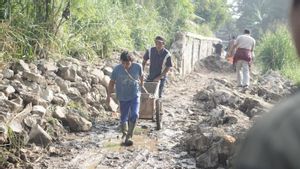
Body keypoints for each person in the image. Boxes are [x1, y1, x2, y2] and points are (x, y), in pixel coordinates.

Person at [234, 0, 300, 168]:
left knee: (239, 70)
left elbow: (234, 46)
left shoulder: (279, 130)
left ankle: (240, 84)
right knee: (247, 71)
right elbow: (253, 52)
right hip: (248, 54)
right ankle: (245, 85)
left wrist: (230, 54)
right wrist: (252, 60)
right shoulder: (253, 40)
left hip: (240, 54)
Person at [106, 51, 143, 146]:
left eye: (127, 63)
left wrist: (141, 87)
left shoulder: (137, 67)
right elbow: (111, 83)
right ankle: (124, 134)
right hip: (122, 96)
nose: (125, 65)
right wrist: (108, 96)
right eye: (123, 63)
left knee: (135, 114)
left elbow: (141, 76)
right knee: (123, 117)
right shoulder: (117, 70)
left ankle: (129, 136)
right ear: (121, 61)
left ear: (132, 62)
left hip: (134, 95)